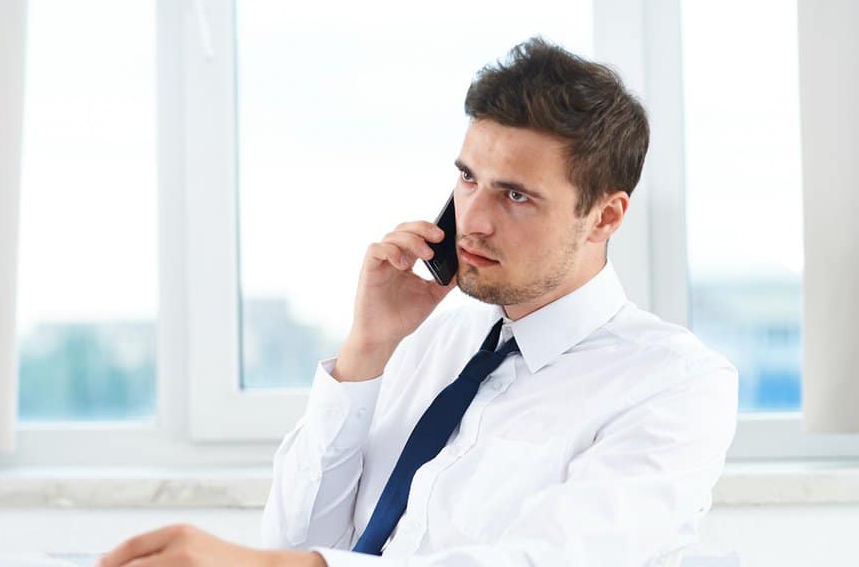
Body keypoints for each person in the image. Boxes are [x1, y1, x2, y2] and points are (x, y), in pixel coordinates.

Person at [98, 37, 738, 567]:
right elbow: (294, 543)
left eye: (515, 195)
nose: (474, 220)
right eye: (467, 178)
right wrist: (366, 353)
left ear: (604, 216)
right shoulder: (431, 342)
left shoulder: (675, 384)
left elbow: (544, 561)